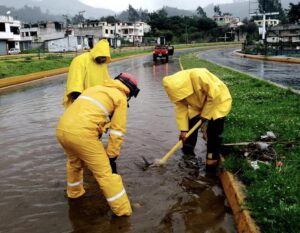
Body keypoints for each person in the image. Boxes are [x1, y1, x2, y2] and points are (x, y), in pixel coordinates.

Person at [56, 73, 140, 216]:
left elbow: (90, 114)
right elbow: (117, 132)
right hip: (82, 135)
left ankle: (74, 194)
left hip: (62, 130)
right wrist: (112, 156)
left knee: (74, 163)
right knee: (106, 175)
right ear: (129, 91)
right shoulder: (120, 98)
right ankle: (123, 211)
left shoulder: (95, 89)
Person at [162, 68, 232, 172]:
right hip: (198, 105)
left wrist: (205, 115)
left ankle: (211, 162)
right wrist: (183, 130)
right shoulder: (175, 90)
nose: (181, 99)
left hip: (218, 102)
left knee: (213, 133)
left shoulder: (198, 75)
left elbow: (214, 95)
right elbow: (181, 109)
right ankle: (188, 154)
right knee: (189, 127)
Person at [63, 38, 111, 108]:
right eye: (102, 56)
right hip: (83, 103)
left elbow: (106, 82)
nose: (103, 59)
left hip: (98, 103)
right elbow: (75, 87)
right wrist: (83, 104)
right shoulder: (80, 60)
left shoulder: (102, 64)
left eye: (105, 57)